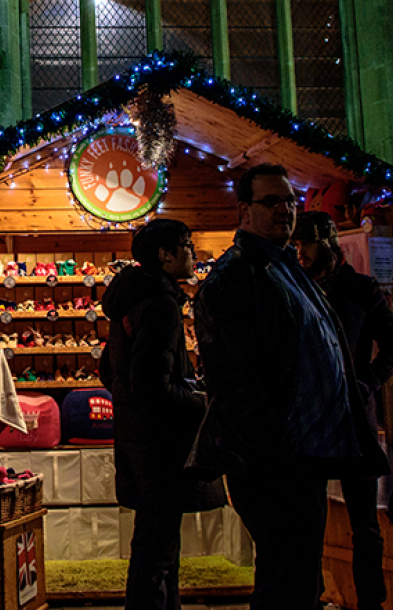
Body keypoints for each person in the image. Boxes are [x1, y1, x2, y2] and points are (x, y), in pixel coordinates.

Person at [191, 163, 388, 610]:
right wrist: (275, 450)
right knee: (286, 581)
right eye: (271, 202)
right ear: (244, 210)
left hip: (305, 456)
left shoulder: (286, 269)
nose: (285, 210)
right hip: (274, 461)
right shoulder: (234, 278)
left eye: (290, 201)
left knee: (300, 580)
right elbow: (234, 382)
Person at [102, 219, 225, 610]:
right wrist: (201, 402)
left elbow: (110, 369)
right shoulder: (161, 305)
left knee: (155, 541)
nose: (194, 253)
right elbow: (152, 383)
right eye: (187, 245)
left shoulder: (131, 300)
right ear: (165, 255)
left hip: (138, 437)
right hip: (162, 444)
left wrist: (129, 403)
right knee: (158, 548)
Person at [292, 211, 393, 610]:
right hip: (308, 419)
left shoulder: (360, 289)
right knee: (306, 523)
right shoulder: (295, 287)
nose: (299, 252)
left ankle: (371, 604)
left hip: (354, 418)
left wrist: (366, 384)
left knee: (365, 527)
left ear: (326, 243)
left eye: (304, 244)